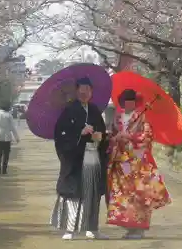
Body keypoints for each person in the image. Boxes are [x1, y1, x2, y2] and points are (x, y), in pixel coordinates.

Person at [50, 77, 109, 240]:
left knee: (93, 193)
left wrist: (100, 137)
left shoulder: (95, 110)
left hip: (93, 156)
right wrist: (79, 134)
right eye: (82, 91)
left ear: (91, 92)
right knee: (73, 194)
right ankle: (70, 229)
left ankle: (92, 228)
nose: (84, 94)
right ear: (77, 92)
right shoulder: (68, 110)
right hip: (75, 159)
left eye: (88, 91)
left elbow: (102, 133)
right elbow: (60, 135)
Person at [107, 89, 171, 239]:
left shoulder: (142, 118)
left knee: (139, 195)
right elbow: (111, 135)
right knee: (124, 196)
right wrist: (115, 138)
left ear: (135, 102)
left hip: (137, 162)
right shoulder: (118, 118)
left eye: (131, 100)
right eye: (126, 100)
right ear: (122, 102)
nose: (129, 103)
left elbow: (147, 136)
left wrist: (130, 136)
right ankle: (130, 227)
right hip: (122, 162)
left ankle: (139, 229)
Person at [0, 102, 20, 175]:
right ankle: (4, 170)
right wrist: (17, 138)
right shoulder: (9, 115)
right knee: (6, 154)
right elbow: (13, 128)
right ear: (7, 108)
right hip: (7, 137)